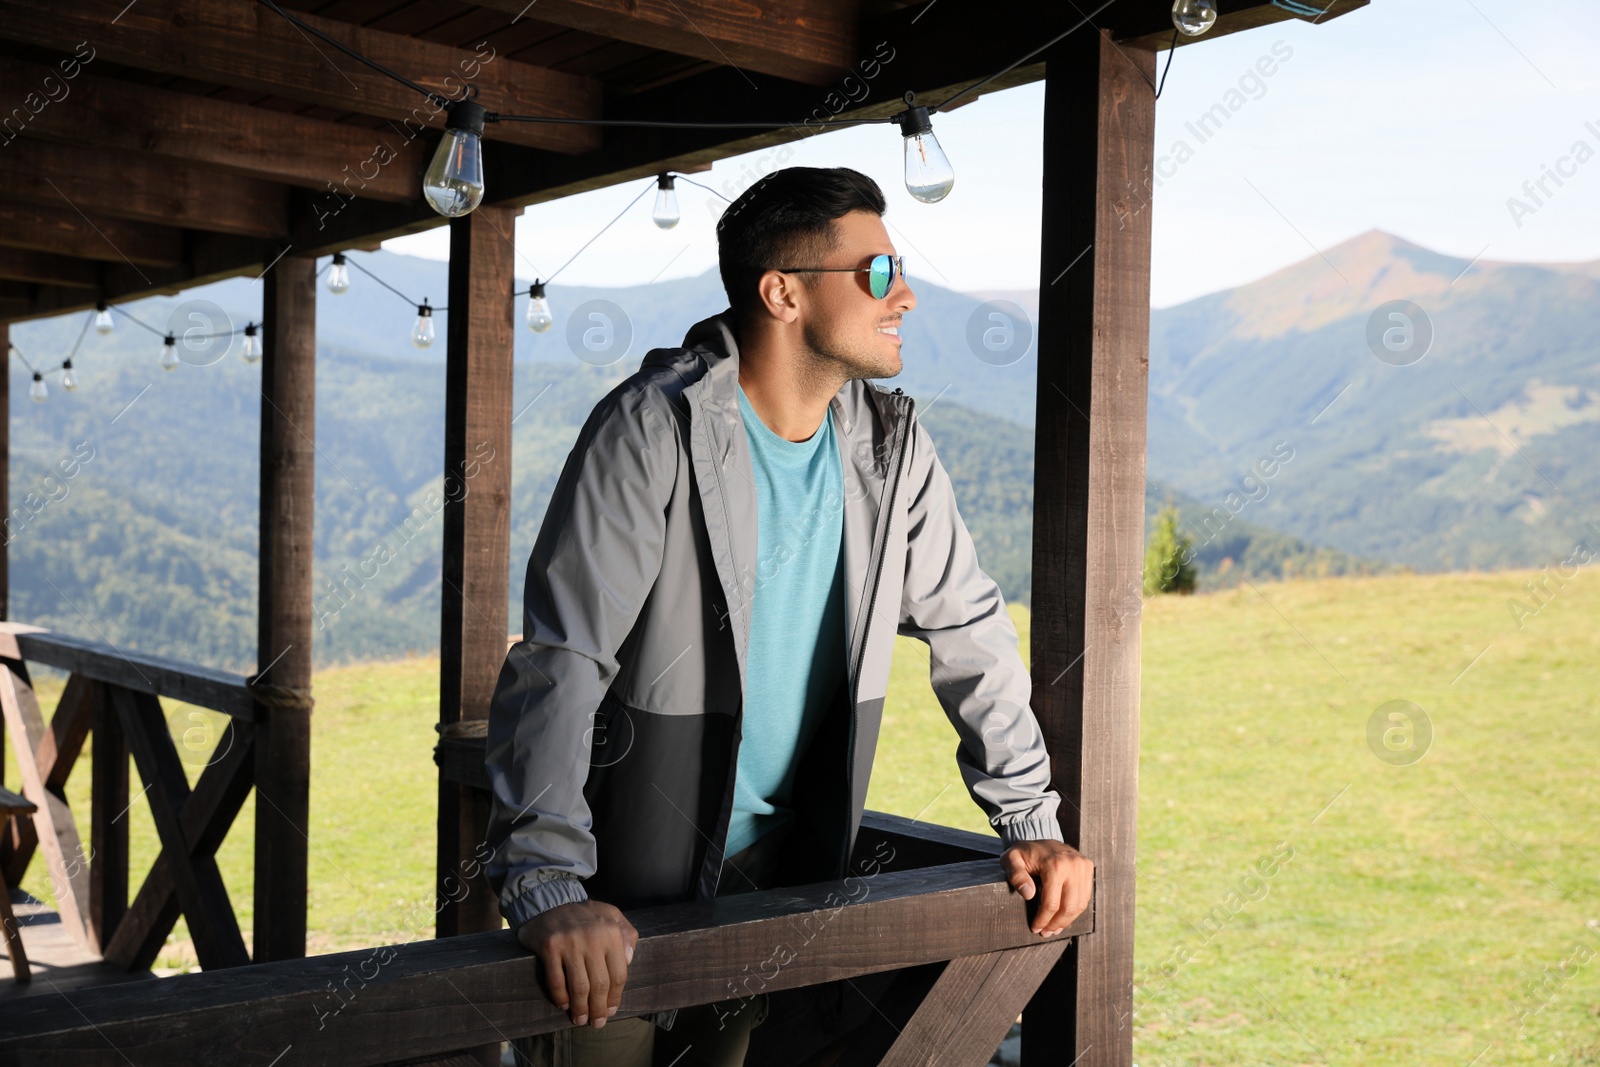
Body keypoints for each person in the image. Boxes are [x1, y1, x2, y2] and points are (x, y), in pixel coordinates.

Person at [485, 165, 1093, 1067]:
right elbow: (561, 661)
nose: (908, 295)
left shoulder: (893, 448)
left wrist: (1031, 822)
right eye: (879, 274)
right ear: (783, 293)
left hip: (783, 881)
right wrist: (546, 881)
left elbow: (971, 631)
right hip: (620, 893)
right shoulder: (653, 431)